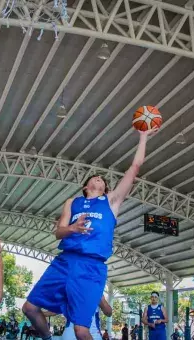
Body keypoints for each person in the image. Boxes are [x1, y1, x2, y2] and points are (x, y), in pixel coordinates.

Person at [23, 128, 157, 340]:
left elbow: (135, 167)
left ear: (105, 189)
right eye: (94, 178)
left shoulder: (111, 202)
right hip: (65, 260)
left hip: (91, 266)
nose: (99, 179)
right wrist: (72, 229)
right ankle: (48, 338)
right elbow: (58, 232)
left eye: (102, 180)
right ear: (85, 186)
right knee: (29, 308)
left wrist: (143, 137)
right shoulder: (72, 202)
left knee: (81, 330)